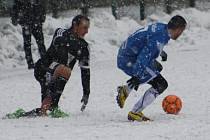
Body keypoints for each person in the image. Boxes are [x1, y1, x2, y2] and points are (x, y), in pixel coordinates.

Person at [116, 15, 187, 121]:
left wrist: (160, 52)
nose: (180, 34)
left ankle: (125, 90)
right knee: (160, 84)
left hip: (127, 54)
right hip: (129, 60)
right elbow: (144, 55)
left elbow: (146, 41)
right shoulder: (159, 38)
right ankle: (134, 111)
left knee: (156, 69)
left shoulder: (162, 28)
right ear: (178, 29)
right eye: (181, 31)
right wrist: (136, 75)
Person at [22, 15, 90, 117]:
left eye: (88, 28)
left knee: (47, 109)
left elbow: (85, 71)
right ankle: (47, 107)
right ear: (75, 26)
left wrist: (86, 92)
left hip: (59, 74)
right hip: (42, 68)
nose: (86, 31)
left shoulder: (84, 47)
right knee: (64, 70)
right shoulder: (61, 32)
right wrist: (77, 46)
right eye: (84, 28)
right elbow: (59, 42)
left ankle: (41, 111)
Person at [11, 0, 46, 69]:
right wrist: (16, 19)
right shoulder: (21, 3)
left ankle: (44, 61)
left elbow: (41, 6)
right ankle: (31, 63)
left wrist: (42, 17)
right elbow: (15, 7)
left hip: (35, 22)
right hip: (28, 23)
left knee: (40, 43)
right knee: (29, 44)